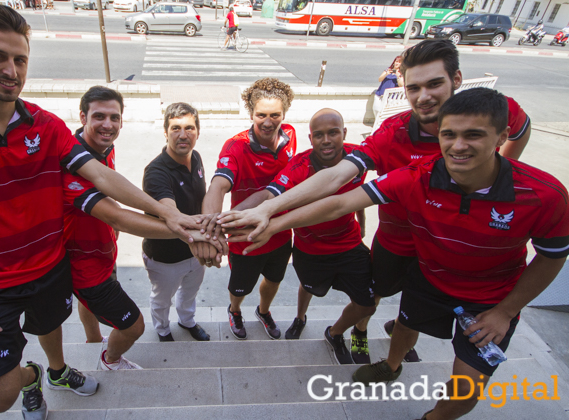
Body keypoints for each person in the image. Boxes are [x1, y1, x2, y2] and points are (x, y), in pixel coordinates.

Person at [0, 5, 201, 419]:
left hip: (50, 267)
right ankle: (33, 375)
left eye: (20, 59)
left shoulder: (45, 124)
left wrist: (174, 217)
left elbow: (102, 178)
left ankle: (56, 371)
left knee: (49, 328)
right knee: (0, 398)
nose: (11, 70)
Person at [229, 88, 569, 420]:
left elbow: (552, 257)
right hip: (428, 278)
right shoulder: (416, 177)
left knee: (466, 393)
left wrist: (507, 311)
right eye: (448, 134)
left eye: (474, 135)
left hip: (491, 302)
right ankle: (391, 366)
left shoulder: (544, 194)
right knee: (405, 326)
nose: (458, 145)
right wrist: (273, 221)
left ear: (501, 137)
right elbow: (340, 201)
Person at [217, 39, 531, 362]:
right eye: (414, 87)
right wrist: (266, 212)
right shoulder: (394, 141)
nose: (424, 97)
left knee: (413, 310)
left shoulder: (492, 112)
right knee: (372, 297)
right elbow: (339, 185)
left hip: (443, 249)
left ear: (457, 80)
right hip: (395, 244)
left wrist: (498, 174)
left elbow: (521, 127)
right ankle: (358, 332)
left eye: (435, 84)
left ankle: (395, 352)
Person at [63, 90, 224, 368]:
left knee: (189, 293)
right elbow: (121, 216)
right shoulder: (154, 171)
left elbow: (107, 186)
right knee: (140, 319)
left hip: (105, 248)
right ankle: (130, 347)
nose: (108, 125)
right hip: (88, 259)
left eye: (114, 117)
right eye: (98, 117)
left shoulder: (105, 148)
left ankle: (94, 340)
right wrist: (196, 234)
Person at [232, 108, 375, 363]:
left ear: (344, 133)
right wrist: (228, 218)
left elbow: (359, 191)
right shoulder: (298, 165)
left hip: (349, 243)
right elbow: (268, 195)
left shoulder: (359, 156)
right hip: (311, 249)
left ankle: (342, 332)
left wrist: (362, 223)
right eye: (319, 135)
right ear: (311, 139)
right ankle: (300, 318)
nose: (327, 140)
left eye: (333, 133)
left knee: (366, 302)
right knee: (309, 288)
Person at [196, 77, 296, 341]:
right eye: (261, 114)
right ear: (251, 113)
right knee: (240, 288)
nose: (267, 122)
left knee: (274, 281)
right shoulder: (235, 147)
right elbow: (218, 186)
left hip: (281, 232)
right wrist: (211, 228)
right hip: (245, 238)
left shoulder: (291, 135)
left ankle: (263, 312)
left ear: (284, 114)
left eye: (275, 115)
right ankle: (235, 310)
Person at [142, 103, 214, 342]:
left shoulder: (196, 157)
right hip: (165, 256)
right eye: (175, 128)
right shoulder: (156, 172)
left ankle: (187, 320)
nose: (183, 135)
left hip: (195, 250)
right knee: (162, 299)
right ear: (165, 132)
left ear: (198, 131)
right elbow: (170, 213)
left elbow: (202, 199)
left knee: (190, 292)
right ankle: (162, 329)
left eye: (189, 128)